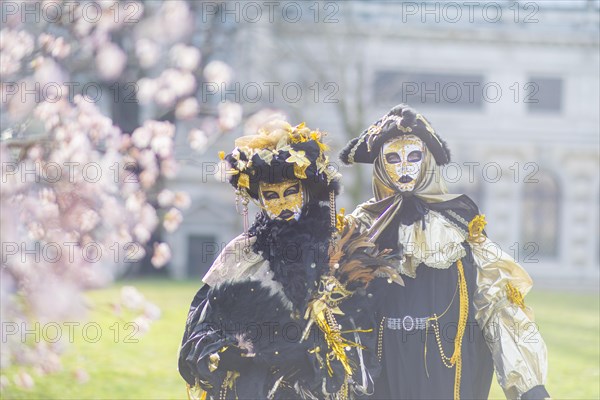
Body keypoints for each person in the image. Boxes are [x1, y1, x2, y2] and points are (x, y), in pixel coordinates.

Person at [338, 104, 551, 400]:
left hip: (444, 368)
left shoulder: (459, 225)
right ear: (379, 165)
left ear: (428, 160)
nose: (404, 168)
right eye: (392, 158)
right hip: (379, 370)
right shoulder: (359, 228)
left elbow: (496, 305)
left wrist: (528, 385)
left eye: (414, 156)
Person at [178, 120, 394, 399]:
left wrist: (311, 353)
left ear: (305, 191)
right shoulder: (243, 253)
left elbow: (361, 328)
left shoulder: (337, 247)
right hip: (253, 385)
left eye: (290, 191)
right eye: (271, 195)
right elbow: (201, 324)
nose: (281, 204)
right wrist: (225, 353)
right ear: (258, 199)